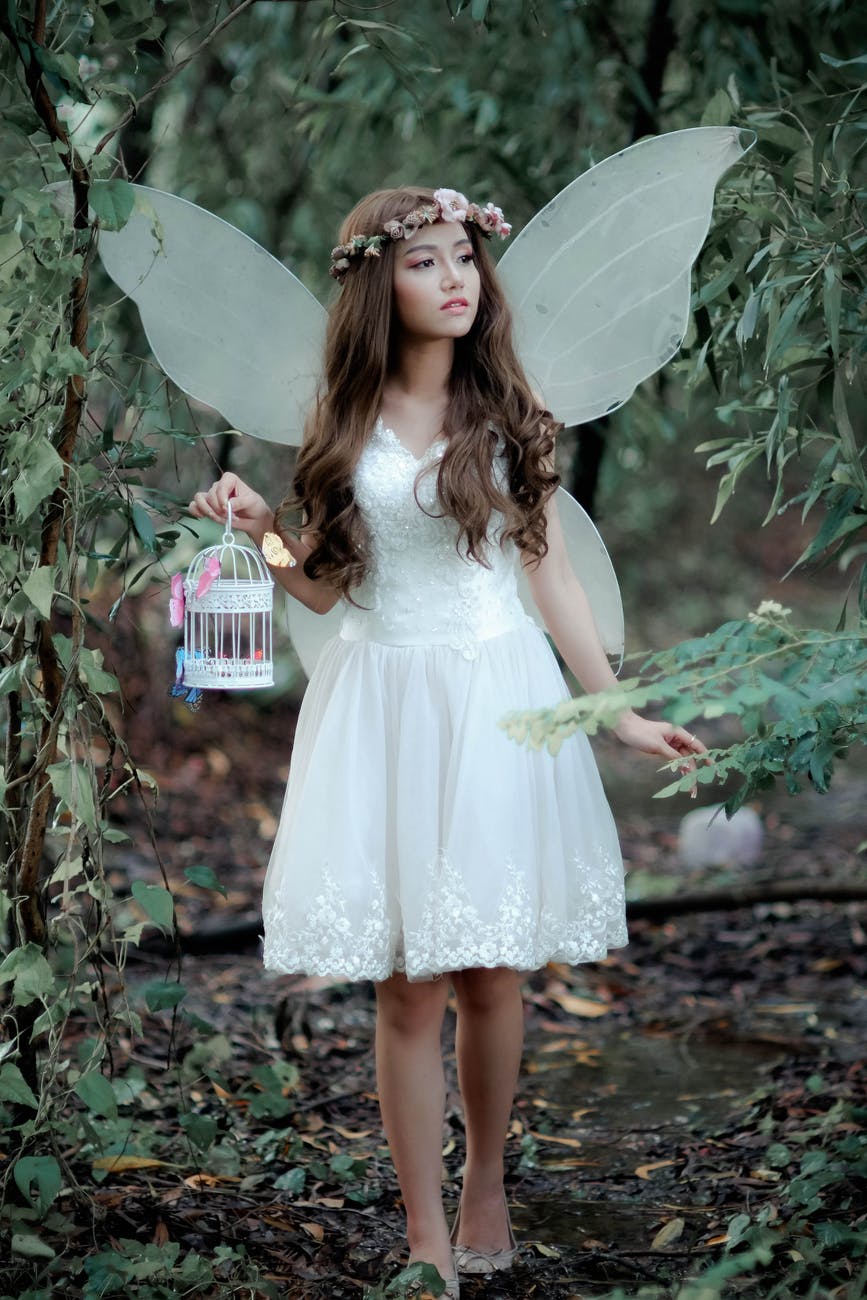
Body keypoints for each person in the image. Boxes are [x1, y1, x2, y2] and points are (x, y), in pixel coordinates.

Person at [190, 185, 705, 1298]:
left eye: (464, 256)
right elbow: (323, 595)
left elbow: (551, 575)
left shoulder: (509, 411)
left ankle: (486, 1181)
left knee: (490, 967)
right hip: (385, 705)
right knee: (410, 986)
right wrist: (264, 534)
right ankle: (425, 1232)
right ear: (381, 280)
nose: (455, 278)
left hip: (498, 702)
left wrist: (614, 710)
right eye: (425, 261)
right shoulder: (345, 419)